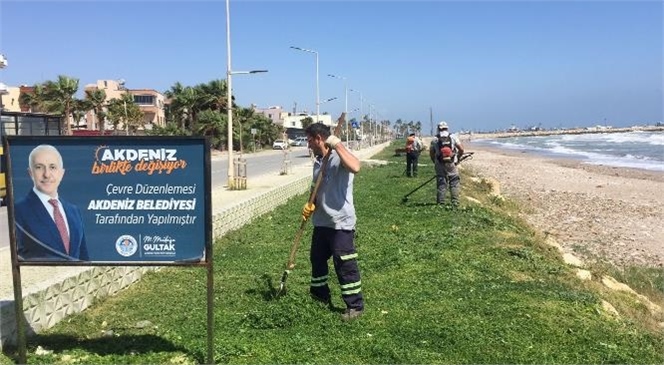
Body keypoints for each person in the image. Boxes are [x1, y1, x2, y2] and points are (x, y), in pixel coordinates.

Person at [301, 123, 365, 321]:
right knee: (317, 260)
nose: (308, 144)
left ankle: (355, 306)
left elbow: (356, 166)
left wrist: (338, 145)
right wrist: (310, 203)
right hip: (321, 222)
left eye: (310, 140)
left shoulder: (339, 157)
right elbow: (316, 186)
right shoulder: (319, 161)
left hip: (340, 223)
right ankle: (319, 297)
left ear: (319, 139)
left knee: (344, 264)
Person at [14, 144, 89, 261]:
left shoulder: (74, 211)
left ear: (62, 173)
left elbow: (84, 257)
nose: (47, 174)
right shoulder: (18, 211)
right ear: (30, 173)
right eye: (39, 167)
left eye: (52, 167)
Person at [429, 121, 465, 207]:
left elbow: (431, 153)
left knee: (441, 181)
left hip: (439, 163)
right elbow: (461, 149)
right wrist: (458, 159)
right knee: (454, 181)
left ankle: (441, 202)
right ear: (447, 128)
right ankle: (455, 202)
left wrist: (435, 161)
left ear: (438, 129)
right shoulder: (453, 137)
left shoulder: (435, 139)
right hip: (451, 163)